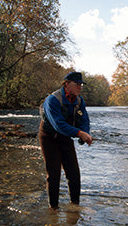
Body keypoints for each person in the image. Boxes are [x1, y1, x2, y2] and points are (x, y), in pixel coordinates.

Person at [39, 72, 92, 210]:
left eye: (81, 85)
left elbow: (84, 119)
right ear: (66, 84)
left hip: (65, 137)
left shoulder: (79, 101)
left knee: (74, 174)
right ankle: (53, 208)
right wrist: (79, 133)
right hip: (48, 137)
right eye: (77, 84)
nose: (80, 87)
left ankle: (75, 207)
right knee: (54, 174)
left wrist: (84, 133)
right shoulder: (52, 100)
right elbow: (58, 125)